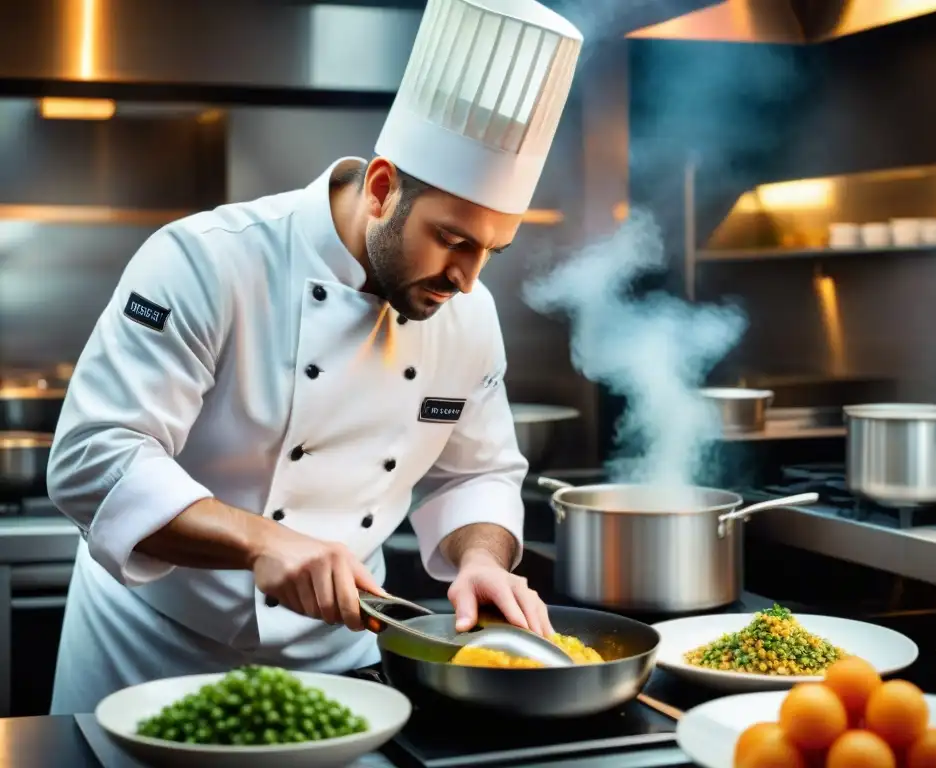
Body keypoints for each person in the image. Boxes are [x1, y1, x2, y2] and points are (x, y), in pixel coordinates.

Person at [46, 0, 583, 714]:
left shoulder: (468, 313)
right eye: (454, 240)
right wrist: (263, 541)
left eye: (492, 251)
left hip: (341, 668)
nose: (469, 278)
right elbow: (94, 458)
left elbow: (475, 472)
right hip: (151, 653)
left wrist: (479, 558)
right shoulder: (209, 260)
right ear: (384, 188)